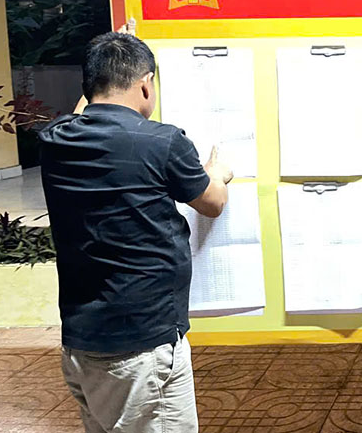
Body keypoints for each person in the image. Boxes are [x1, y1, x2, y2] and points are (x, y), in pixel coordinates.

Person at [39, 22, 233, 433]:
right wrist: (217, 172)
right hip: (142, 347)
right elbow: (212, 202)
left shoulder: (56, 139)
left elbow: (84, 110)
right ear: (146, 84)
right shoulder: (162, 142)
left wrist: (112, 50)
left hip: (81, 342)